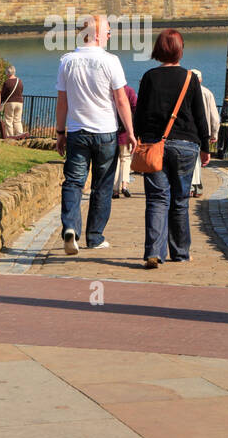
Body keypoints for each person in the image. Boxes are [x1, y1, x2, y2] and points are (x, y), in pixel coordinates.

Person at [55, 14, 135, 255]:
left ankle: (70, 228)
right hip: (106, 132)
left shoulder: (67, 61)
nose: (110, 36)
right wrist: (130, 131)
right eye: (108, 31)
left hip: (78, 131)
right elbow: (121, 100)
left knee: (74, 182)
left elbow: (62, 102)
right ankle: (95, 236)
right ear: (97, 34)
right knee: (102, 185)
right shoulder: (111, 61)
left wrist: (60, 132)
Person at [135, 29, 210, 268]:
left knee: (157, 199)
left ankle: (153, 252)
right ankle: (180, 252)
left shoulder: (149, 77)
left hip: (155, 144)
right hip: (186, 145)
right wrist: (205, 147)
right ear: (180, 49)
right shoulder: (189, 78)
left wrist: (137, 137)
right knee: (180, 200)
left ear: (158, 49)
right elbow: (200, 116)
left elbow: (141, 113)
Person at [189, 68, 220, 197]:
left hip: (188, 131)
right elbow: (214, 116)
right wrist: (214, 133)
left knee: (192, 159)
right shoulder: (207, 93)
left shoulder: (183, 92)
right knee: (198, 159)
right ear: (201, 79)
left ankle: (192, 186)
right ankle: (196, 187)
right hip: (203, 131)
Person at [112, 83, 138, 198]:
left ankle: (115, 189)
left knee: (115, 161)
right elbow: (135, 108)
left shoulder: (110, 91)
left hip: (111, 131)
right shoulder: (129, 91)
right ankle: (124, 185)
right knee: (126, 159)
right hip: (126, 132)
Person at [0, 65, 25, 137]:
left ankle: (10, 136)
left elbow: (3, 94)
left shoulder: (7, 82)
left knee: (9, 120)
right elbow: (21, 90)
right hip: (20, 102)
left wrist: (0, 102)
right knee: (17, 120)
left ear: (8, 73)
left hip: (10, 103)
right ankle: (20, 135)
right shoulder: (19, 81)